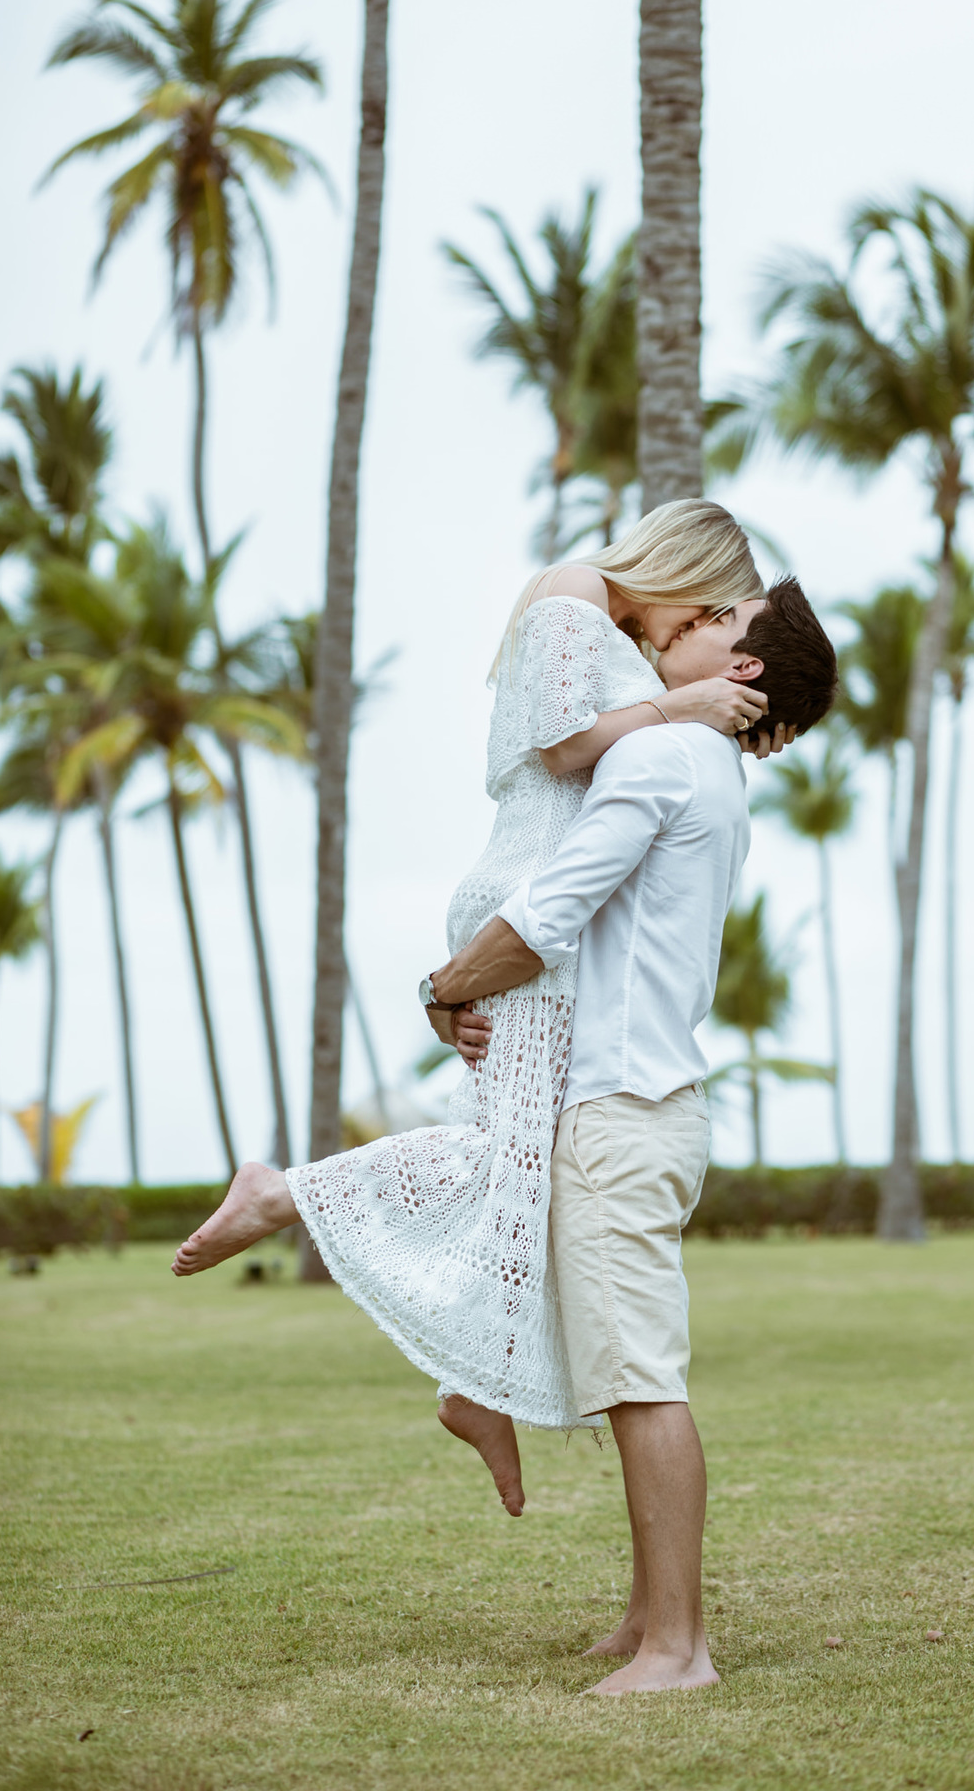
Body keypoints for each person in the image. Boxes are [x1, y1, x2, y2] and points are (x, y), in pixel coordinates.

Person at [173, 501, 786, 1462]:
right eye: (709, 612)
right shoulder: (575, 589)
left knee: (523, 1165)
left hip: (551, 911)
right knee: (496, 1155)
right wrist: (685, 707)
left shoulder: (618, 632)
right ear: (688, 572)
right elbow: (562, 744)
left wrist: (719, 715)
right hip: (532, 897)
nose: (695, 637)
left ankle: (478, 1388)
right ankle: (283, 1193)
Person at [422, 574, 838, 1694]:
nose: (695, 623)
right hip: (643, 1104)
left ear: (740, 670)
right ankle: (647, 1616)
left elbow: (549, 919)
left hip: (616, 1112)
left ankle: (677, 1650)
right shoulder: (698, 762)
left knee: (643, 1381)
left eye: (723, 623)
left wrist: (444, 986)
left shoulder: (657, 757)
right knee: (623, 1372)